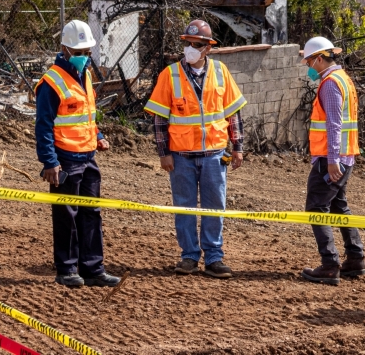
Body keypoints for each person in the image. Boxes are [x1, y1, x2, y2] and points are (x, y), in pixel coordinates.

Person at [145, 20, 247, 278]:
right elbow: (159, 118)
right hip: (180, 157)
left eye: (197, 45)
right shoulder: (169, 75)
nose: (190, 48)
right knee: (185, 208)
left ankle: (214, 257)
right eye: (188, 44)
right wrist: (163, 153)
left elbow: (233, 113)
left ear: (208, 48)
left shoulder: (221, 72)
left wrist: (238, 147)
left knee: (215, 207)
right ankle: (189, 256)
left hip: (214, 155)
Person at [34, 19, 120, 288]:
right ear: (64, 49)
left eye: (87, 52)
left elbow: (87, 115)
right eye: (79, 52)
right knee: (66, 215)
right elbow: (44, 126)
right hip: (65, 160)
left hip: (88, 157)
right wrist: (50, 162)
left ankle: (93, 269)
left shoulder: (86, 76)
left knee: (91, 213)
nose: (85, 57)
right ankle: (68, 269)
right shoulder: (51, 82)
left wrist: (99, 136)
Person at [297, 36, 365, 286]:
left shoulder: (329, 84)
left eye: (308, 61)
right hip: (343, 156)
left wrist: (333, 160)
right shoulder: (343, 79)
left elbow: (334, 124)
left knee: (316, 208)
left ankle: (330, 265)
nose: (308, 67)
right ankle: (355, 258)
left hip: (332, 158)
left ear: (319, 59)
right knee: (338, 207)